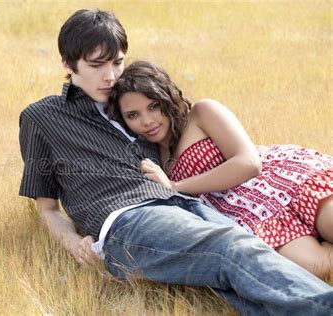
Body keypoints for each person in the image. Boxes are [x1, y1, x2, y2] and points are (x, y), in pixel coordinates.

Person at [19, 9, 333, 315]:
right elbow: (46, 207)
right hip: (125, 220)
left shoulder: (130, 104)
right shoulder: (41, 117)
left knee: (241, 264)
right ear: (67, 64)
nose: (110, 76)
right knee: (229, 247)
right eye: (96, 65)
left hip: (182, 204)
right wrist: (72, 242)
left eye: (117, 62)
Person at [107, 60, 333, 279]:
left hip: (283, 182)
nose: (147, 121)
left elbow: (249, 163)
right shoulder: (148, 156)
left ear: (166, 97)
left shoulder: (201, 113)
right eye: (133, 115)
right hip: (251, 215)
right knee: (316, 266)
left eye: (153, 106)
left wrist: (175, 186)